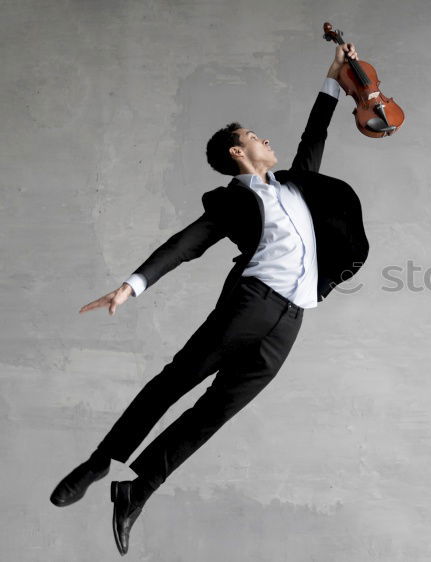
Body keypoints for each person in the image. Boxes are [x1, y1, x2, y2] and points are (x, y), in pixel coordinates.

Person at [49, 42, 370, 556]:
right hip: (252, 303)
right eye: (253, 136)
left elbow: (316, 133)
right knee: (176, 381)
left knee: (215, 412)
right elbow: (188, 242)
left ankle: (136, 489)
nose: (265, 138)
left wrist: (334, 77)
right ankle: (99, 462)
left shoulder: (297, 184)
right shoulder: (233, 200)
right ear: (238, 154)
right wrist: (132, 285)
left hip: (291, 320)